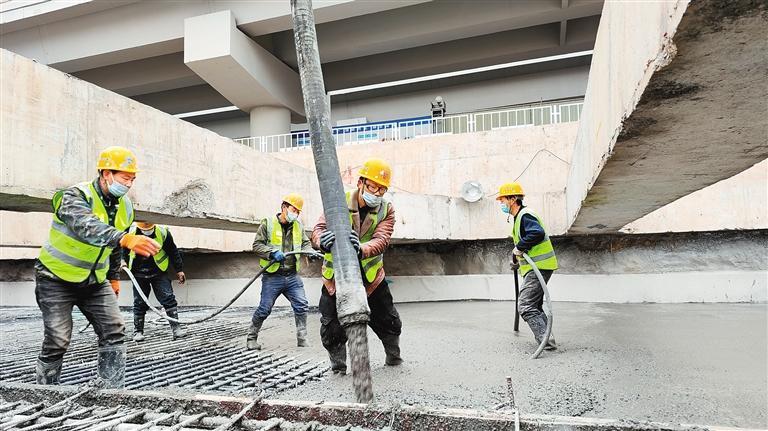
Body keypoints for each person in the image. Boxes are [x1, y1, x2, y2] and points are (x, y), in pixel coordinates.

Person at [35, 146, 160, 388]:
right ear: (106, 174)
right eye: (125, 178)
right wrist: (125, 239)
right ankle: (45, 390)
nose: (129, 184)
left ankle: (111, 391)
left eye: (132, 179)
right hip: (55, 279)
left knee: (114, 331)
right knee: (58, 340)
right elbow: (87, 226)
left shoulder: (125, 206)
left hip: (94, 281)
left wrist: (113, 277)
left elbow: (113, 246)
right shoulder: (74, 196)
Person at [312, 158, 402, 375]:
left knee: (389, 320)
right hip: (337, 277)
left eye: (382, 189)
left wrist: (361, 248)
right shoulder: (339, 201)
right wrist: (320, 239)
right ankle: (339, 367)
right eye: (373, 187)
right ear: (361, 182)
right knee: (331, 325)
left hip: (370, 277)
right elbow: (319, 228)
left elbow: (382, 239)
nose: (377, 193)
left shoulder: (386, 209)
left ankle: (393, 356)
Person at [247, 193, 315, 350]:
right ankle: (251, 338)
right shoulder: (268, 223)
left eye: (298, 211)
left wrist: (309, 252)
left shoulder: (298, 226)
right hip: (273, 276)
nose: (296, 214)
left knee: (301, 305)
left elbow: (305, 243)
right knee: (264, 309)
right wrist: (271, 252)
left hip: (292, 276)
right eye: (293, 210)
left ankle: (302, 338)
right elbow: (257, 245)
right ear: (284, 207)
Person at [497, 182, 558, 350]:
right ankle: (547, 339)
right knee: (534, 305)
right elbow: (523, 246)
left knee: (525, 305)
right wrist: (516, 260)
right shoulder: (519, 219)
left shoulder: (525, 215)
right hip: (537, 266)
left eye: (503, 200)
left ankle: (546, 342)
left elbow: (537, 233)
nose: (501, 204)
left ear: (513, 199)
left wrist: (520, 247)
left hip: (539, 266)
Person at [125, 221, 187, 341]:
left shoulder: (163, 233)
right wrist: (122, 261)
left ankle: (176, 329)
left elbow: (173, 251)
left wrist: (179, 270)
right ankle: (138, 331)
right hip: (138, 273)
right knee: (139, 303)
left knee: (168, 299)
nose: (147, 231)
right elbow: (122, 249)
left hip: (159, 272)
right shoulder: (130, 232)